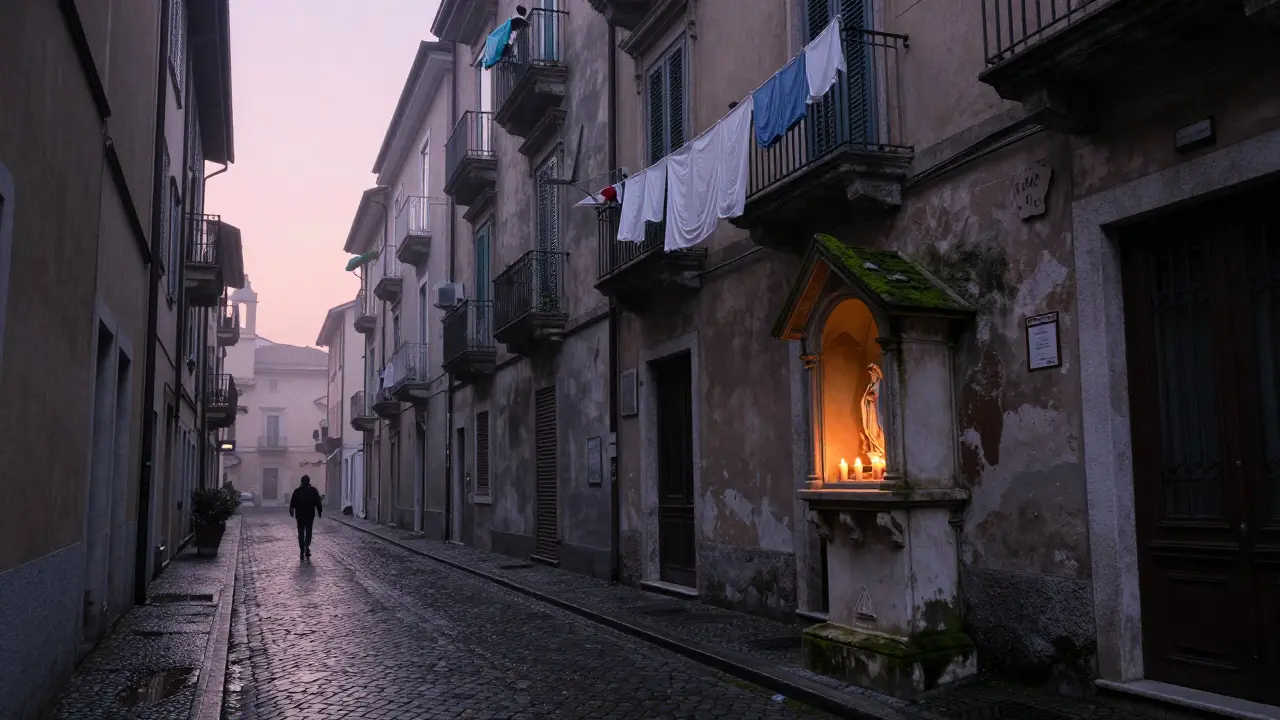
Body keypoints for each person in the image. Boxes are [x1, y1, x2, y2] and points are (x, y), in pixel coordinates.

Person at [288, 475, 323, 559]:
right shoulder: (313, 491)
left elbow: (292, 503)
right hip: (309, 515)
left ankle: (302, 549)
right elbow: (318, 502)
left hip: (300, 515)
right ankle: (307, 546)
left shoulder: (297, 491)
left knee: (300, 532)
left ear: (301, 481)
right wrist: (319, 511)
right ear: (309, 481)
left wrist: (291, 511)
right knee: (308, 532)